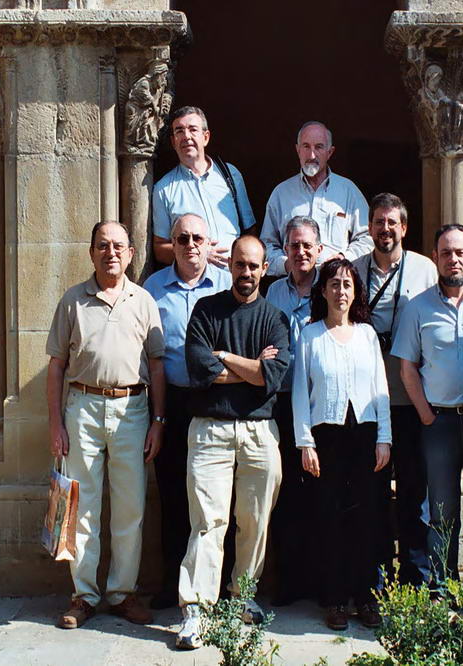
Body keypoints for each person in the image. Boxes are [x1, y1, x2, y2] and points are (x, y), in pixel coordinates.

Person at [46, 220, 166, 629]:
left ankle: (122, 593)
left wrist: (158, 421)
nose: (111, 252)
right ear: (91, 252)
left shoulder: (144, 301)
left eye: (118, 246)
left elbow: (157, 364)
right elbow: (56, 365)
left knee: (130, 506)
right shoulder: (72, 301)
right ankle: (84, 595)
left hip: (132, 409)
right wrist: (55, 424)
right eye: (102, 245)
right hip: (81, 407)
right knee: (82, 506)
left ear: (131, 253)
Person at [175, 235, 290, 650]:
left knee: (256, 520)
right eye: (239, 265)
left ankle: (243, 598)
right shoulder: (206, 310)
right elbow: (198, 368)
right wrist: (251, 367)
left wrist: (224, 357)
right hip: (211, 430)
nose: (246, 273)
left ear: (264, 270)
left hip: (259, 432)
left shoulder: (275, 317)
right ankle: (197, 611)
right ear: (230, 266)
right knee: (209, 522)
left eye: (254, 266)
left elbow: (271, 377)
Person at [390, 224, 463, 596]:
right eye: (444, 253)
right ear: (435, 258)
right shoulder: (417, 307)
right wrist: (425, 415)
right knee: (441, 511)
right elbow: (407, 368)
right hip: (437, 422)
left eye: (459, 252)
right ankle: (442, 586)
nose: (452, 259)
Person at [292, 258, 391, 631]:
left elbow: (381, 389)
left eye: (348, 284)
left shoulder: (367, 334)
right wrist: (305, 443)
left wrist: (384, 438)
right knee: (329, 517)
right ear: (323, 290)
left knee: (367, 518)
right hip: (326, 437)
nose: (341, 291)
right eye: (334, 284)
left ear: (356, 292)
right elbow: (301, 391)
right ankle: (334, 599)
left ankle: (366, 598)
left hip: (365, 435)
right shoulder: (310, 335)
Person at [142, 213, 232, 609]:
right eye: (182, 238)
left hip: (216, 400)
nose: (190, 245)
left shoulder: (227, 283)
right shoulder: (153, 289)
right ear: (171, 244)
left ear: (208, 242)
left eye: (197, 237)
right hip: (173, 402)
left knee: (216, 497)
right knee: (174, 494)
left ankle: (223, 585)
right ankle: (172, 582)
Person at [352, 193, 437, 586]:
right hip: (367, 401)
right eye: (378, 222)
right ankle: (376, 582)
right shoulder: (353, 270)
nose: (384, 230)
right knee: (370, 495)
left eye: (392, 223)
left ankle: (416, 581)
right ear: (368, 228)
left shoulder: (425, 270)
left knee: (413, 494)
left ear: (404, 227)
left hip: (410, 399)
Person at [265, 215, 324, 605]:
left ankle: (321, 579)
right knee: (285, 493)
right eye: (294, 245)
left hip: (322, 405)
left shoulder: (333, 287)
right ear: (284, 251)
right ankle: (288, 580)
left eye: (307, 246)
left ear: (319, 250)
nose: (301, 252)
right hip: (283, 402)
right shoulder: (273, 295)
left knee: (322, 493)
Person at [260, 121, 371, 275]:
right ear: (297, 150)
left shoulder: (348, 191)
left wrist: (343, 259)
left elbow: (368, 239)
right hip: (291, 288)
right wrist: (286, 265)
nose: (312, 155)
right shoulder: (281, 194)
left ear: (330, 152)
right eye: (306, 146)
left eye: (319, 147)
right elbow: (265, 245)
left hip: (336, 288)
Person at [152, 106, 256, 268]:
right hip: (194, 285)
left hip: (233, 282)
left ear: (205, 137)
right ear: (173, 141)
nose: (186, 136)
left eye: (193, 130)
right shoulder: (163, 189)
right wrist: (198, 254)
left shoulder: (230, 175)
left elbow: (250, 230)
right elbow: (160, 248)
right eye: (179, 131)